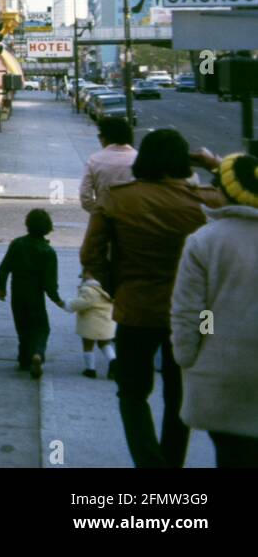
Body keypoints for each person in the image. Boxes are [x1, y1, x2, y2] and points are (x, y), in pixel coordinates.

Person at [79, 128, 227, 468]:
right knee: (179, 394)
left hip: (135, 307)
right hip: (193, 313)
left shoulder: (119, 198)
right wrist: (215, 164)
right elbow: (250, 191)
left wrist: (116, 285)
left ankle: (148, 462)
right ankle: (172, 461)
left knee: (132, 392)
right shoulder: (208, 201)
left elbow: (91, 255)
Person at [171, 153, 258, 468]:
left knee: (232, 457)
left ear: (224, 190)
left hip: (222, 372)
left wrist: (191, 354)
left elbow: (192, 313)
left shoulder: (205, 241)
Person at [0, 209, 65, 378]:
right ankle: (38, 354)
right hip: (36, 295)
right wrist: (57, 300)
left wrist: (1, 288)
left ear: (27, 225)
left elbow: (4, 268)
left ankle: (24, 359)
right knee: (41, 327)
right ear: (47, 228)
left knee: (23, 327)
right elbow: (50, 283)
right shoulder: (48, 252)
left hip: (17, 292)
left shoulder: (17, 244)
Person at [63, 273, 117, 379]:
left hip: (91, 323)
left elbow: (83, 302)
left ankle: (90, 369)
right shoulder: (108, 287)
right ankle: (113, 361)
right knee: (104, 344)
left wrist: (68, 304)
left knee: (88, 345)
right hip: (106, 321)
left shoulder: (89, 289)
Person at [79, 117, 137, 212]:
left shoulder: (94, 160)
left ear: (105, 137)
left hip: (105, 216)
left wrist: (98, 213)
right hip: (133, 216)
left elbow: (85, 195)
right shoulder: (138, 158)